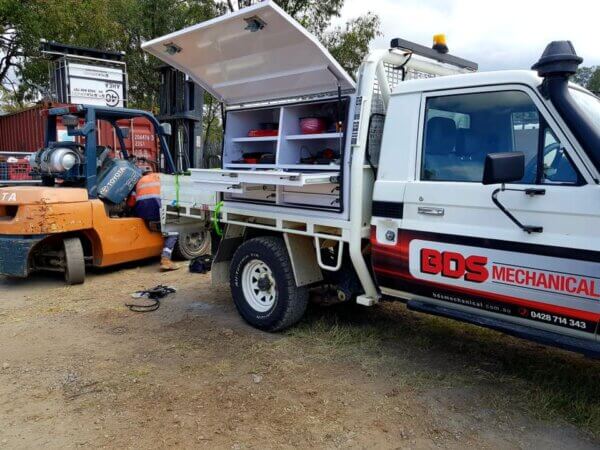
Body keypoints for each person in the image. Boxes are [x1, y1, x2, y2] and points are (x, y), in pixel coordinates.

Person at [129, 171, 179, 271]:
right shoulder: (163, 177)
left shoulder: (139, 181)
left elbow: (131, 202)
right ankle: (166, 259)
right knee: (173, 230)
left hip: (143, 213)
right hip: (159, 210)